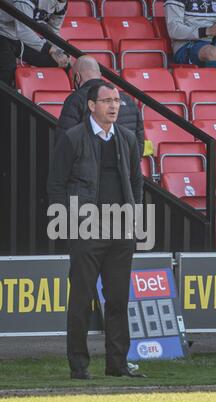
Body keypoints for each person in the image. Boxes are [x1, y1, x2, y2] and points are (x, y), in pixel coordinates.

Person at [47, 82, 144, 379]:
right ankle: (79, 365)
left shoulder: (127, 139)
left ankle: (117, 364)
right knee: (81, 299)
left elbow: (136, 183)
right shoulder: (73, 138)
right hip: (86, 229)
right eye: (107, 101)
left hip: (120, 232)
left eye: (117, 101)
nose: (114, 106)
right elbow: (56, 184)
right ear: (91, 106)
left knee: (118, 300)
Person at [56, 55, 145, 156]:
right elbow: (139, 139)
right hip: (125, 168)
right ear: (99, 74)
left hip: (92, 168)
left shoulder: (76, 99)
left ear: (78, 77)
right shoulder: (127, 99)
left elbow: (64, 140)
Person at [0, 0, 70, 86]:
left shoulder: (62, 3)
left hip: (17, 36)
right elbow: (23, 32)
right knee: (8, 67)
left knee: (58, 62)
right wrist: (51, 49)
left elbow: (53, 30)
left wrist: (61, 51)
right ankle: (1, 98)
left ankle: (47, 95)